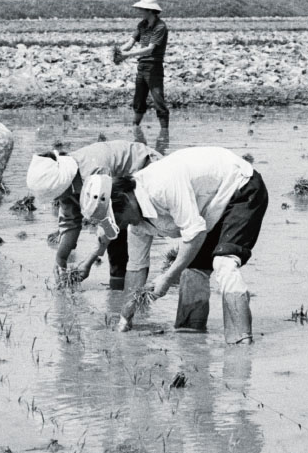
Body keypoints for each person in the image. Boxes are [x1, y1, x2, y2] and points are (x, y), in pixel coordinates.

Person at [110, 146, 267, 342]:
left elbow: (195, 233)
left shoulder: (161, 185)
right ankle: (190, 338)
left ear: (125, 199)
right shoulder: (136, 224)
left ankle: (241, 345)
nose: (120, 225)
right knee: (192, 271)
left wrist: (167, 277)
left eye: (117, 218)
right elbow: (135, 268)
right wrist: (125, 315)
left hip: (241, 187)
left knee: (224, 263)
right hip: (209, 210)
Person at [25, 140, 162, 289]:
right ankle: (119, 291)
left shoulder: (95, 173)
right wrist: (60, 259)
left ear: (62, 185)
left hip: (147, 171)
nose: (57, 199)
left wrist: (89, 262)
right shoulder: (66, 185)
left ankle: (129, 290)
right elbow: (70, 223)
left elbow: (109, 220)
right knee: (116, 240)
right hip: (120, 199)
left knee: (130, 236)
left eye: (56, 195)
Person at [114, 0, 170, 135]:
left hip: (154, 67)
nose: (140, 12)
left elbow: (150, 49)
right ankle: (135, 127)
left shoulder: (160, 27)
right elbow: (131, 42)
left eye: (142, 9)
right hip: (142, 67)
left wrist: (127, 55)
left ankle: (164, 132)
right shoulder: (142, 25)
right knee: (138, 100)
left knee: (158, 100)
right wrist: (119, 51)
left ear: (150, 10)